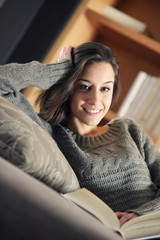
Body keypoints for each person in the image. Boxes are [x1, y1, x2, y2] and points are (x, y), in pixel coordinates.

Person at [1, 42, 160, 227]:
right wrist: (60, 70)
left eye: (105, 89)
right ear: (68, 86)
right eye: (84, 87)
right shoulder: (50, 133)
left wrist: (141, 215)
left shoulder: (128, 129)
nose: (95, 100)